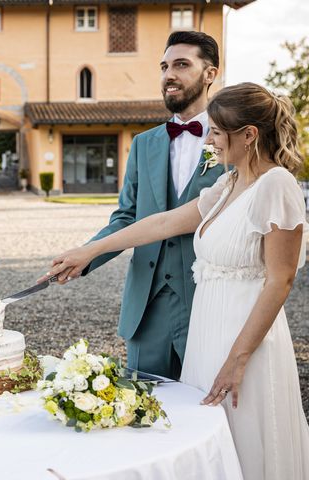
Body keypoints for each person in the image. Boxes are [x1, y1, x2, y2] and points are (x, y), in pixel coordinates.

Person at [42, 82, 309, 480]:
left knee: (246, 440)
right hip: (208, 332)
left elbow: (280, 280)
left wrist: (237, 360)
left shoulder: (277, 185)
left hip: (246, 341)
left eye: (218, 132)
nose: (211, 140)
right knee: (206, 440)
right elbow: (163, 223)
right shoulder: (229, 183)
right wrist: (90, 251)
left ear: (249, 135)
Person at [70, 31, 223, 379]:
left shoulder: (235, 138)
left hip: (209, 300)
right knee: (144, 412)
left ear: (210, 74)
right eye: (164, 66)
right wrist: (85, 256)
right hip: (147, 304)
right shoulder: (143, 144)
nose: (169, 75)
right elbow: (126, 216)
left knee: (209, 409)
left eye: (182, 65)